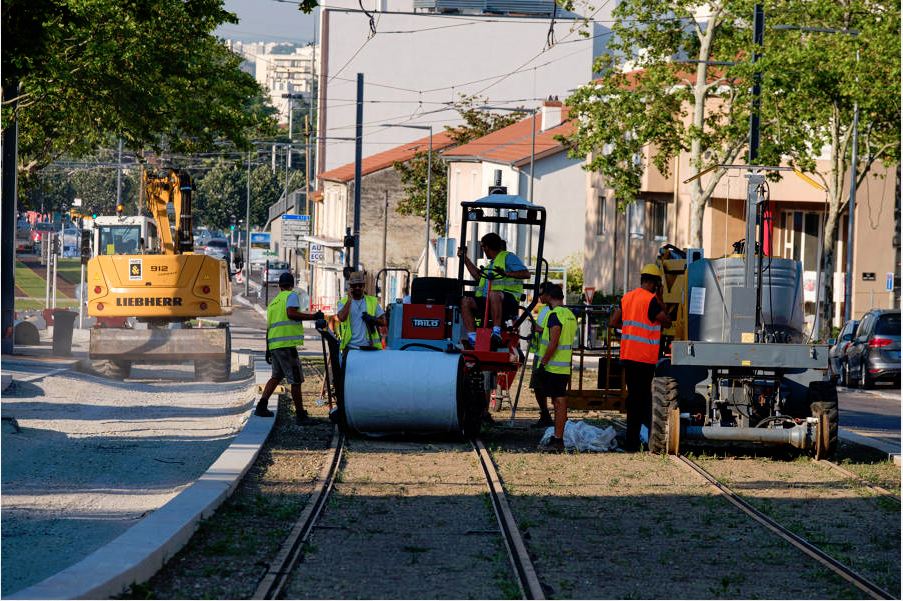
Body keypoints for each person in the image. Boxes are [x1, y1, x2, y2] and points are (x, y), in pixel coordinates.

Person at [609, 263, 672, 452]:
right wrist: (660, 298)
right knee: (642, 400)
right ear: (654, 283)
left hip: (628, 356)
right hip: (644, 359)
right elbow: (667, 321)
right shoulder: (651, 300)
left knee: (635, 398)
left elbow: (613, 322)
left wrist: (628, 327)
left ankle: (634, 440)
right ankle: (636, 441)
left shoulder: (627, 297)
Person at [256, 272, 324, 424]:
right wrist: (314, 316)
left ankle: (261, 406)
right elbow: (291, 313)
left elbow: (269, 328)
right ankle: (300, 415)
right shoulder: (291, 296)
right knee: (296, 380)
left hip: (275, 345)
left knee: (276, 376)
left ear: (279, 285)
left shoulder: (274, 303)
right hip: (286, 346)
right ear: (292, 285)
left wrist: (268, 349)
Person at [457, 232, 530, 348]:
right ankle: (472, 337)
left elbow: (526, 274)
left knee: (494, 294)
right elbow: (478, 276)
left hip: (508, 301)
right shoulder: (491, 265)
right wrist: (465, 259)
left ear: (486, 247)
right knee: (466, 301)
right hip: (488, 301)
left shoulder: (508, 257)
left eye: (483, 247)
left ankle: (496, 332)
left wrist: (506, 273)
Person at [535, 283, 578, 452]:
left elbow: (553, 342)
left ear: (550, 297)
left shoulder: (555, 315)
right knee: (559, 401)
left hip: (553, 367)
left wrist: (544, 362)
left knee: (559, 403)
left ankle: (558, 439)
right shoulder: (570, 315)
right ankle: (557, 436)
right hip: (564, 366)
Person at [336, 271, 385, 351]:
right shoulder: (343, 302)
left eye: (360, 285)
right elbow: (341, 318)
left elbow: (383, 322)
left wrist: (372, 319)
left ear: (364, 286)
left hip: (368, 348)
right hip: (350, 348)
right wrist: (349, 300)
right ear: (350, 286)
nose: (357, 288)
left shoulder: (372, 301)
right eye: (354, 286)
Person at [529, 282, 555, 428]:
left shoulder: (553, 311)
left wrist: (535, 327)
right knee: (537, 386)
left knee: (549, 387)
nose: (539, 297)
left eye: (541, 294)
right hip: (540, 353)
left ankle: (554, 417)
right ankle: (545, 414)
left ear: (548, 294)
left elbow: (546, 330)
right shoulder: (544, 309)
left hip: (549, 355)